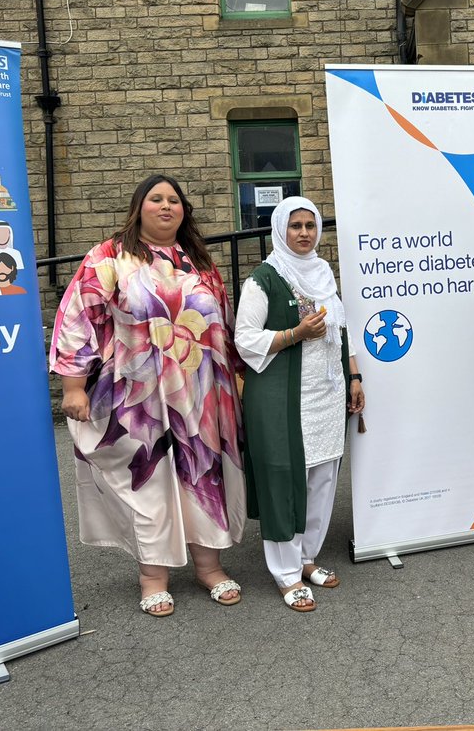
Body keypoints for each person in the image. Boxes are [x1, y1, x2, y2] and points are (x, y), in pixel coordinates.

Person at [50, 174, 246, 617]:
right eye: (155, 199)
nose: (165, 206)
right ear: (139, 207)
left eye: (173, 200)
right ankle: (153, 576)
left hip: (203, 396)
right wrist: (74, 385)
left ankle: (209, 567)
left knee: (203, 477)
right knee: (150, 480)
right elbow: (79, 313)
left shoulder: (198, 261)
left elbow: (223, 321)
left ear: (184, 210)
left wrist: (235, 374)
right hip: (138, 396)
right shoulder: (110, 257)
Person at [233, 196, 365, 613]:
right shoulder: (264, 279)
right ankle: (285, 573)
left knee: (322, 479)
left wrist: (355, 376)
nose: (305, 233)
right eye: (296, 226)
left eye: (311, 225)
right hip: (281, 399)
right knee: (283, 483)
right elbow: (245, 338)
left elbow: (342, 329)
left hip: (326, 394)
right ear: (279, 230)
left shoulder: (323, 274)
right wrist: (294, 333)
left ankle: (307, 558)